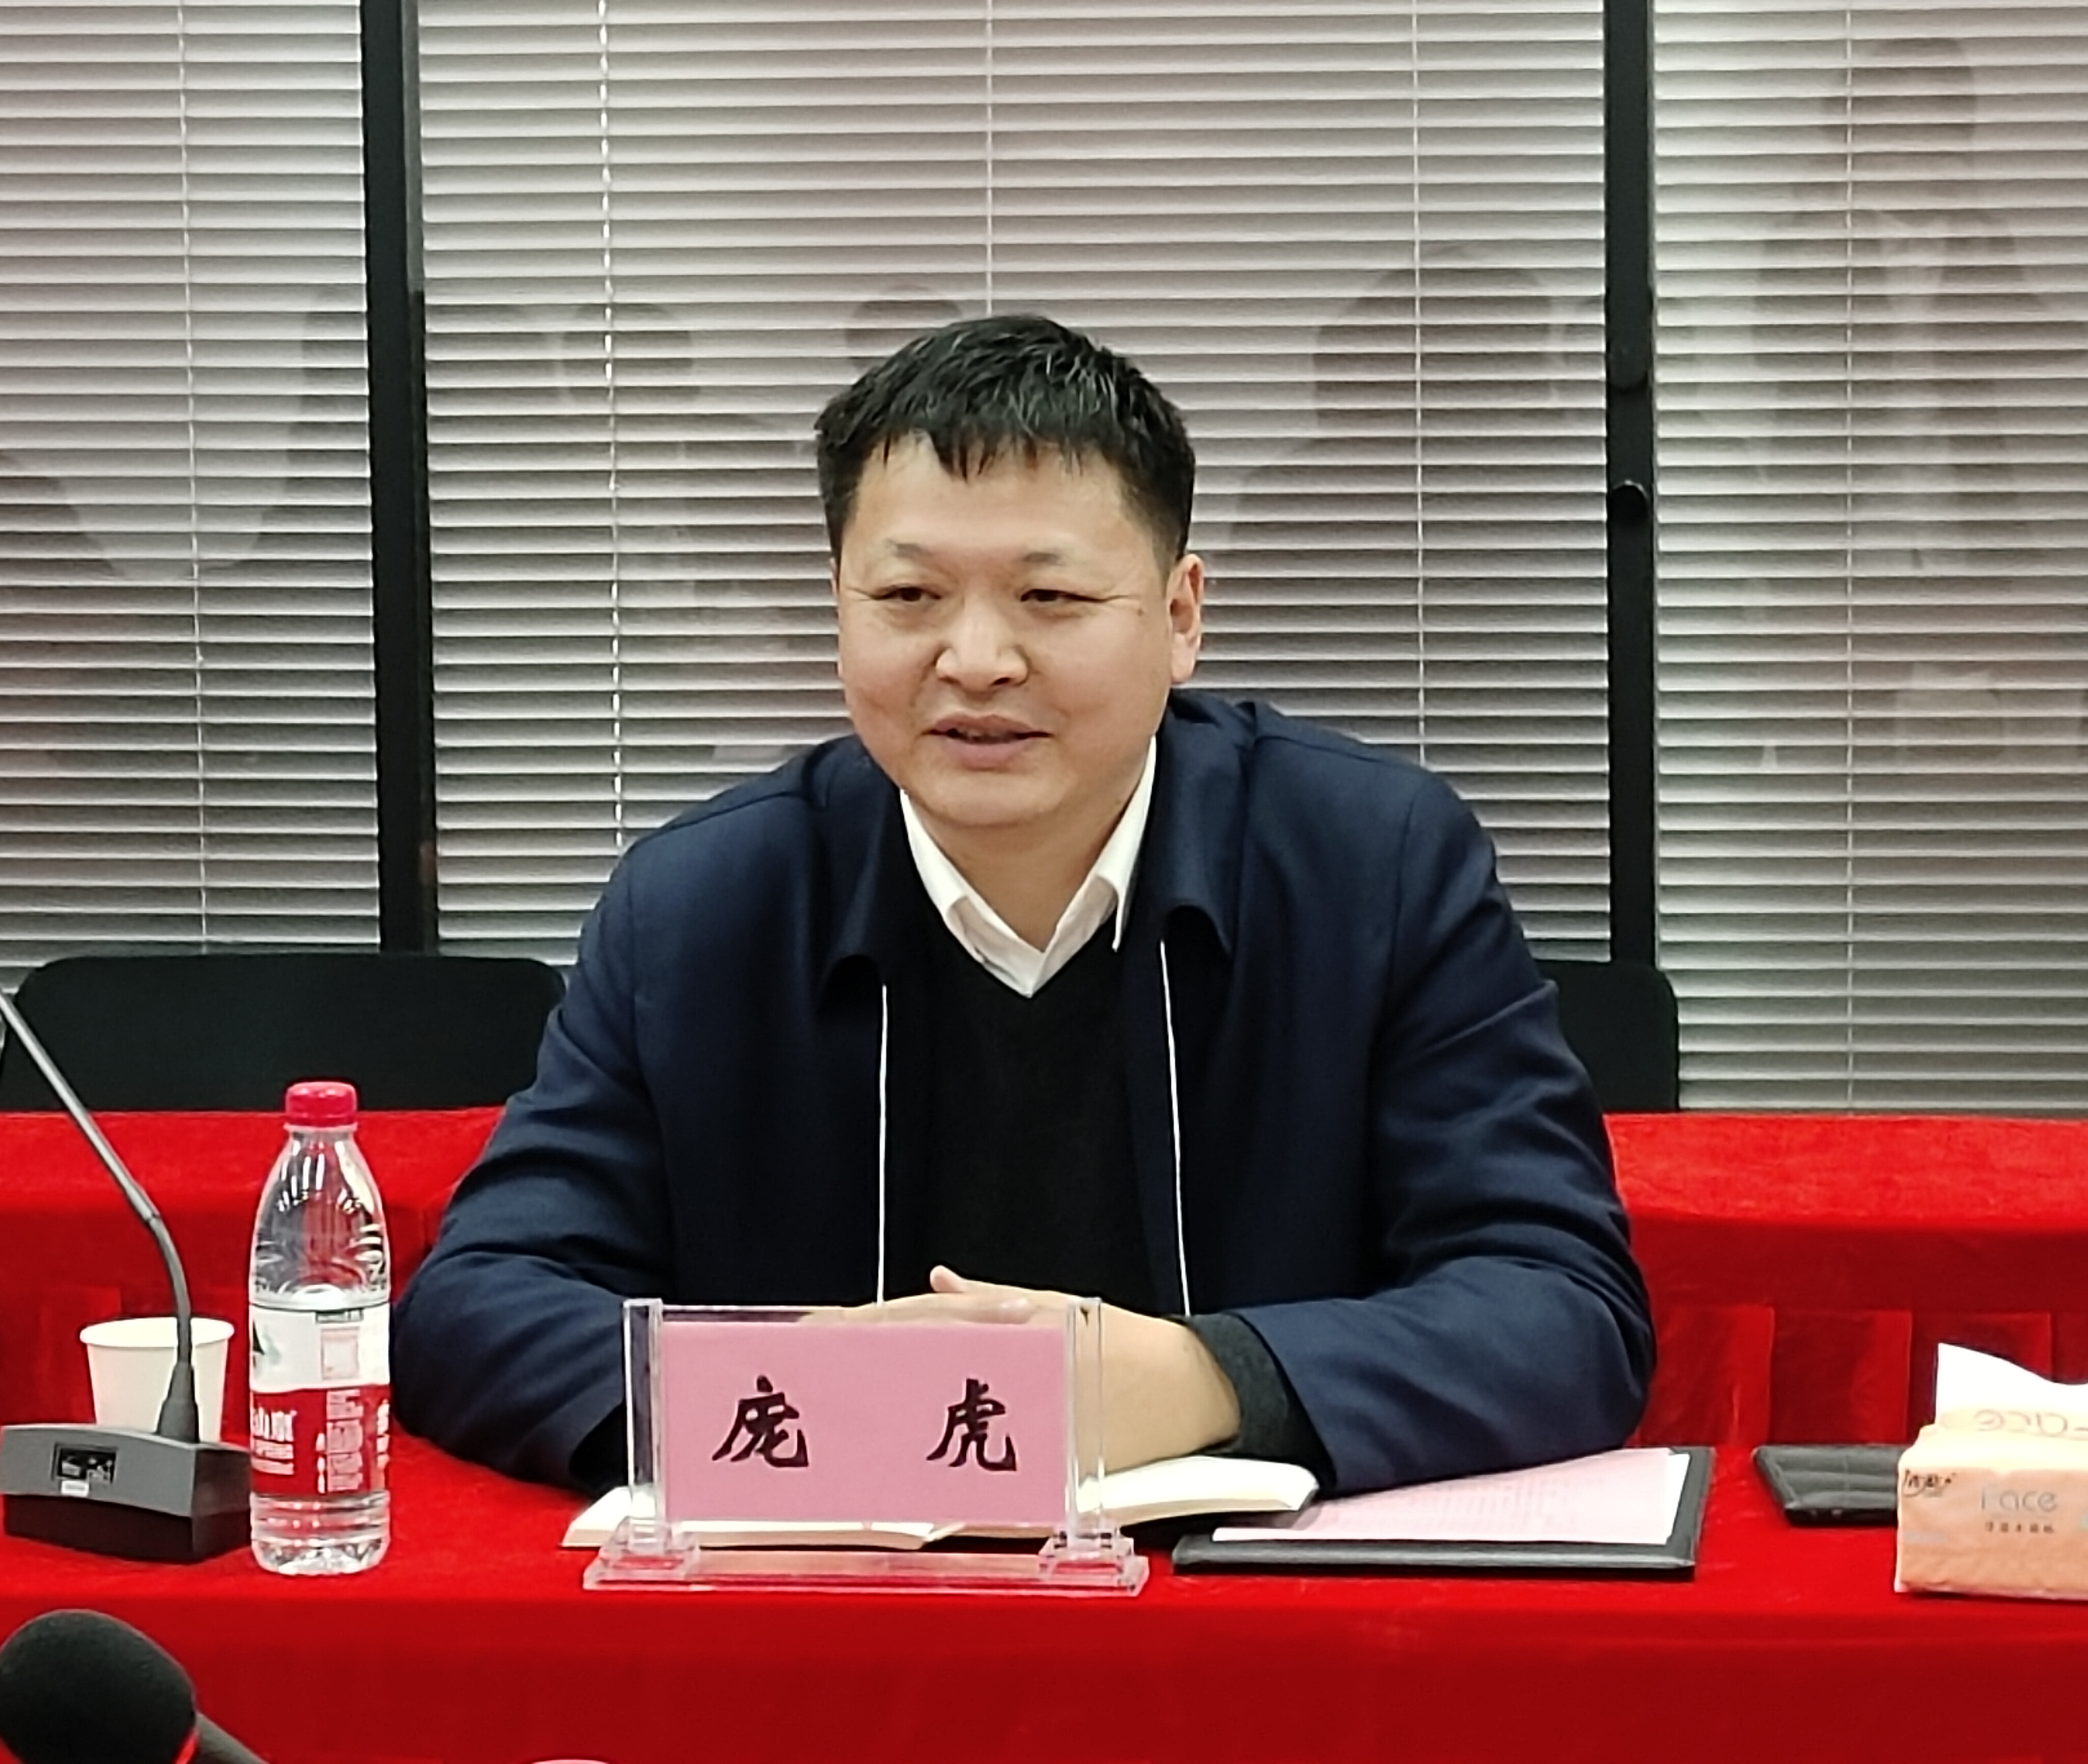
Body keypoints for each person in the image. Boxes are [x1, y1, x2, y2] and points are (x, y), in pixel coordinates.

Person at [394, 314, 1653, 1497]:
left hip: (1246, 1618)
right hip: (832, 1607)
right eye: (908, 599)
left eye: (1049, 599)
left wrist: (1200, 1380)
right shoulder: (705, 904)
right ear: (839, 611)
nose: (978, 661)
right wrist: (817, 1396)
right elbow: (480, 1304)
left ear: (1180, 616)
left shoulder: (1373, 868)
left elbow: (1560, 1308)